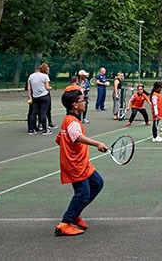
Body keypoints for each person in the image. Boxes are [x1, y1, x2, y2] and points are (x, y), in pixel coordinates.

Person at [54, 89, 108, 236]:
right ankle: (65, 223)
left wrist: (69, 149)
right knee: (83, 193)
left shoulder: (68, 120)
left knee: (97, 183)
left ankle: (75, 212)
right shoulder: (72, 122)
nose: (85, 102)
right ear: (75, 105)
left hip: (82, 162)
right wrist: (97, 143)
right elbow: (77, 137)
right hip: (75, 164)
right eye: (82, 100)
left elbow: (59, 139)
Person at [27, 63, 53, 135]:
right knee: (43, 113)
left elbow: (29, 88)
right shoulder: (45, 76)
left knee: (33, 113)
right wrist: (50, 88)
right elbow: (47, 87)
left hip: (35, 97)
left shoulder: (31, 76)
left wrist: (30, 97)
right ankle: (44, 130)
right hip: (44, 96)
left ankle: (31, 130)